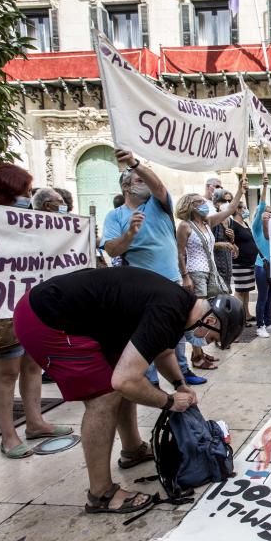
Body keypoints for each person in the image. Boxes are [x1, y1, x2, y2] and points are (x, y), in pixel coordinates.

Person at [12, 266, 244, 514]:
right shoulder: (167, 311)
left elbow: (163, 351)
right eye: (212, 338)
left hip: (66, 313)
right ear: (210, 320)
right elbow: (124, 382)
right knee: (105, 395)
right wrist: (168, 401)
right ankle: (101, 494)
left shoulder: (180, 306)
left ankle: (132, 449)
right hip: (46, 319)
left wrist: (180, 384)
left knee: (130, 373)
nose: (207, 342)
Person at [0, 165, 72, 459]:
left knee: (33, 364)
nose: (29, 197)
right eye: (25, 191)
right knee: (7, 369)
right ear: (7, 189)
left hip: (29, 302)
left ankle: (35, 422)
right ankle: (8, 436)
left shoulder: (30, 220)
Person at [102, 150, 206, 386]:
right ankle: (150, 382)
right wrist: (129, 235)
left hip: (171, 281)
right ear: (127, 187)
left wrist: (134, 164)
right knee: (144, 336)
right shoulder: (115, 216)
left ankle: (182, 371)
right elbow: (111, 249)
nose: (145, 182)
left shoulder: (159, 205)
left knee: (177, 334)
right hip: (141, 288)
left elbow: (158, 185)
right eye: (138, 180)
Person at [175, 177, 245, 369]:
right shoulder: (185, 226)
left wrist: (240, 189)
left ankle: (201, 351)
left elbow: (230, 209)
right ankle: (196, 357)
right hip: (195, 272)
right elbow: (180, 252)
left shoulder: (207, 223)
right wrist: (185, 276)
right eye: (198, 202)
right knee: (197, 316)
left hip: (210, 272)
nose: (203, 204)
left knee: (207, 313)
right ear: (189, 206)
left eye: (202, 201)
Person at [252, 174, 271, 338]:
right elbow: (262, 206)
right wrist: (264, 187)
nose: (268, 214)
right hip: (262, 266)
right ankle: (260, 325)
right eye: (266, 212)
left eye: (270, 212)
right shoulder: (257, 227)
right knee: (262, 296)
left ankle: (269, 322)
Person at [229, 197, 258, 326]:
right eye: (244, 208)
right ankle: (237, 317)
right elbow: (231, 241)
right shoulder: (233, 224)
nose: (246, 210)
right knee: (240, 290)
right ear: (238, 210)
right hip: (239, 262)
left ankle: (246, 314)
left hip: (249, 262)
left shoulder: (245, 223)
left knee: (246, 290)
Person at [211, 187, 236, 292]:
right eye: (224, 201)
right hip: (216, 266)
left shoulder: (230, 221)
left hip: (227, 266)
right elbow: (206, 243)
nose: (227, 203)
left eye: (229, 201)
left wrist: (232, 239)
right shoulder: (213, 220)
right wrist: (221, 244)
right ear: (217, 204)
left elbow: (231, 243)